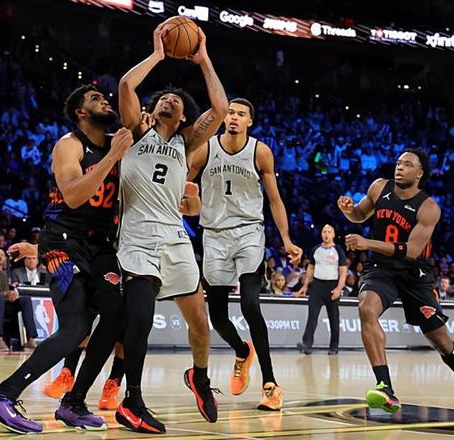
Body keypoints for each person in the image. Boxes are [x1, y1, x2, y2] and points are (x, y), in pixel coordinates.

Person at [0, 85, 132, 434]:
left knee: (117, 315)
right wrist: (112, 157)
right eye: (95, 99)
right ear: (80, 113)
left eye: (105, 97)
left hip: (100, 247)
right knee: (75, 327)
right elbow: (73, 196)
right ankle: (1, 395)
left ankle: (74, 403)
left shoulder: (119, 144)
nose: (105, 100)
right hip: (64, 244)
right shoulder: (69, 145)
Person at [115, 22, 228, 433]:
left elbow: (220, 109)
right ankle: (132, 399)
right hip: (137, 237)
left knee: (199, 323)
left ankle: (200, 377)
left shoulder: (187, 143)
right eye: (163, 98)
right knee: (140, 319)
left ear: (183, 117)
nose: (167, 100)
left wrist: (204, 58)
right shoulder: (136, 130)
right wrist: (158, 55)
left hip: (175, 238)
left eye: (175, 101)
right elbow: (126, 85)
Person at [338, 149, 454, 415]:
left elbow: (411, 250)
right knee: (366, 308)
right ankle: (385, 387)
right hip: (381, 269)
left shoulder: (429, 207)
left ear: (419, 173)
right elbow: (360, 215)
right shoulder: (378, 187)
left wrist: (367, 243)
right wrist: (349, 210)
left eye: (407, 165)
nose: (400, 167)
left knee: (441, 341)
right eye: (398, 163)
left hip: (414, 275)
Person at [187, 98, 302, 410]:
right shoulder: (205, 149)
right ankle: (242, 351)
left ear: (250, 121)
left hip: (249, 232)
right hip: (214, 234)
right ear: (223, 118)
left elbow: (275, 200)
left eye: (241, 114)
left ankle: (270, 384)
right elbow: (183, 183)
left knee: (251, 305)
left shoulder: (260, 151)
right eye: (230, 113)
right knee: (218, 317)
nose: (234, 118)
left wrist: (286, 239)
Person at [296, 224, 347, 355]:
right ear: (321, 234)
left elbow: (343, 271)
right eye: (324, 231)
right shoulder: (316, 249)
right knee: (312, 315)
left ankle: (334, 346)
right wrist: (305, 285)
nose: (326, 234)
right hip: (317, 286)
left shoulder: (338, 250)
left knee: (333, 318)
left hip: (332, 286)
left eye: (329, 231)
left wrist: (339, 288)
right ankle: (307, 344)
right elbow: (311, 268)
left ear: (333, 235)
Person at [0, 243, 38, 351]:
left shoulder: (1, 274)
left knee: (25, 300)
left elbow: (5, 291)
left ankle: (31, 339)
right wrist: (3, 294)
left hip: (2, 304)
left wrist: (10, 295)